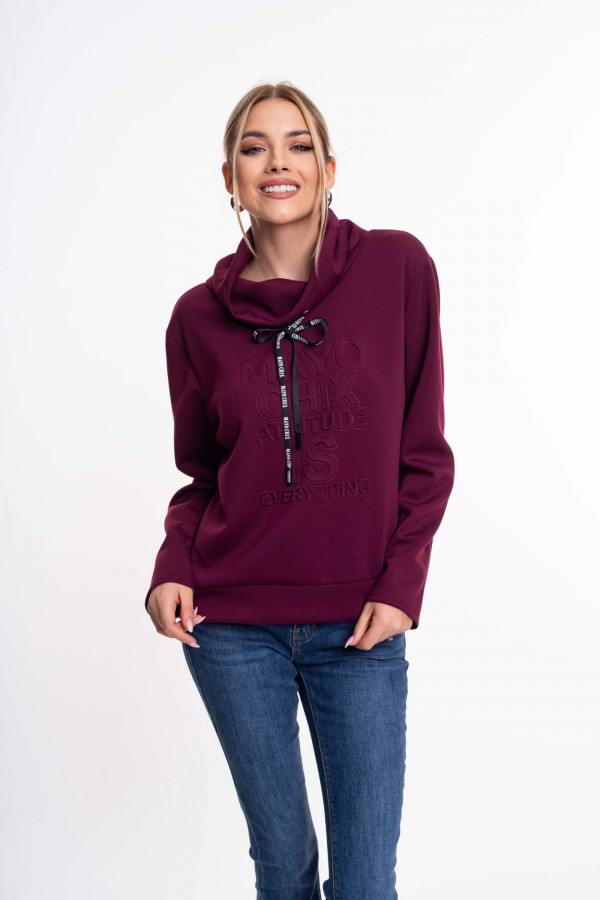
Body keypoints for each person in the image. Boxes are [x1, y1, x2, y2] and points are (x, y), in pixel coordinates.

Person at [144, 81, 455, 900]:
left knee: (365, 882)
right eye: (254, 147)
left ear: (328, 168)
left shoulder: (397, 268)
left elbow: (426, 455)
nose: (276, 162)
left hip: (359, 625)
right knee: (282, 868)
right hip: (230, 626)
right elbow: (202, 476)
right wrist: (172, 565)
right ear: (230, 178)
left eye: (298, 144)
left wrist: (401, 586)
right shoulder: (195, 320)